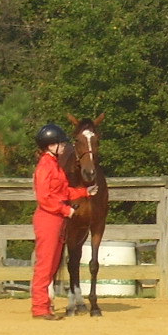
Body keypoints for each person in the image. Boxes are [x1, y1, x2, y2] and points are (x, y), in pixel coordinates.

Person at [32, 123, 98, 320]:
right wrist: (66, 209)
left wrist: (84, 192)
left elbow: (62, 191)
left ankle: (45, 306)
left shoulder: (54, 165)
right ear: (51, 145)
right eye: (61, 144)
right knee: (45, 265)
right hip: (49, 218)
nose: (63, 147)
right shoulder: (45, 167)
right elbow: (45, 197)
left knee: (52, 264)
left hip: (57, 218)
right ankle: (40, 308)